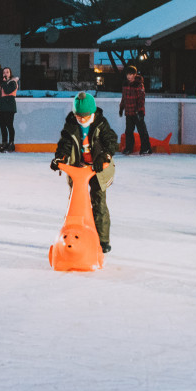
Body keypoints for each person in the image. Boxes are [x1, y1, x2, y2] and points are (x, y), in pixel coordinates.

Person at [50, 92, 118, 253]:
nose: (82, 119)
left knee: (98, 201)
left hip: (98, 168)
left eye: (85, 116)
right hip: (78, 168)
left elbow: (111, 142)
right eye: (79, 116)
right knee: (75, 203)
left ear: (92, 113)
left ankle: (102, 240)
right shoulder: (72, 124)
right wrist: (59, 158)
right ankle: (75, 236)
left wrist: (104, 156)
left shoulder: (101, 123)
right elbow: (65, 144)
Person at [119, 64, 153, 155]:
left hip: (137, 112)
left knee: (142, 131)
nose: (129, 76)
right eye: (127, 74)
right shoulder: (125, 84)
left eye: (131, 74)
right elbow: (124, 97)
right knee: (128, 131)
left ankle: (146, 148)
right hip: (128, 112)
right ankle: (129, 148)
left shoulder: (139, 84)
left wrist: (141, 111)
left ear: (135, 74)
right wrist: (121, 107)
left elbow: (141, 99)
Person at [0, 66, 19, 152]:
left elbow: (8, 91)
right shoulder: (3, 83)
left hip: (9, 106)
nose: (5, 74)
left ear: (10, 73)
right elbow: (1, 94)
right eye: (4, 72)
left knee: (9, 125)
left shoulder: (13, 82)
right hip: (3, 106)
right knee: (2, 126)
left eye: (7, 72)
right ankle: (4, 143)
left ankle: (11, 143)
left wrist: (4, 83)